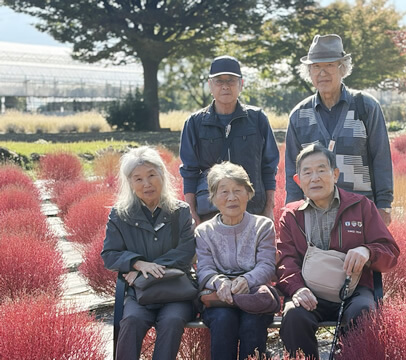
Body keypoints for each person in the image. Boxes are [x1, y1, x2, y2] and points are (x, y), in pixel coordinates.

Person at [276, 144, 400, 358]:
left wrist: (367, 251)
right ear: (298, 180)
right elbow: (285, 260)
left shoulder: (361, 206)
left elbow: (390, 252)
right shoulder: (291, 215)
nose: (314, 177)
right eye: (307, 172)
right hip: (309, 290)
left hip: (354, 290)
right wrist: (296, 289)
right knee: (294, 316)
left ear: (335, 174)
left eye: (321, 170)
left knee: (363, 313)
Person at [285, 34, 393, 226]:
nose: (322, 73)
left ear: (342, 68)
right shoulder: (299, 115)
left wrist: (384, 205)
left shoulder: (366, 107)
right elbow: (293, 171)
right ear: (309, 72)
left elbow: (381, 158)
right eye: (316, 67)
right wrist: (292, 211)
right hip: (314, 213)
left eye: (329, 65)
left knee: (360, 256)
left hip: (361, 209)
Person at [101, 146, 196, 360]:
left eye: (152, 175)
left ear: (162, 175)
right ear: (130, 183)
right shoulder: (119, 215)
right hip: (140, 294)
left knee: (172, 322)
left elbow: (186, 251)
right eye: (138, 179)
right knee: (131, 321)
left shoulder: (179, 211)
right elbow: (109, 254)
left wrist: (147, 271)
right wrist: (137, 264)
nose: (147, 183)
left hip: (175, 292)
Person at [179, 55, 280, 226]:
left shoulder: (257, 119)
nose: (225, 86)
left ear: (241, 84)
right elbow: (189, 171)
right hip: (210, 213)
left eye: (231, 81)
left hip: (253, 210)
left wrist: (269, 208)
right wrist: (192, 211)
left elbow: (269, 168)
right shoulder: (195, 123)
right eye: (219, 81)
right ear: (210, 85)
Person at [195, 162, 278, 360]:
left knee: (252, 323)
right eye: (224, 191)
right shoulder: (204, 231)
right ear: (213, 198)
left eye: (238, 190)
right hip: (219, 299)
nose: (231, 197)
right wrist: (220, 282)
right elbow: (204, 269)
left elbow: (267, 265)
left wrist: (247, 280)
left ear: (248, 193)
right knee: (223, 320)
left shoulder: (263, 226)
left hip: (253, 295)